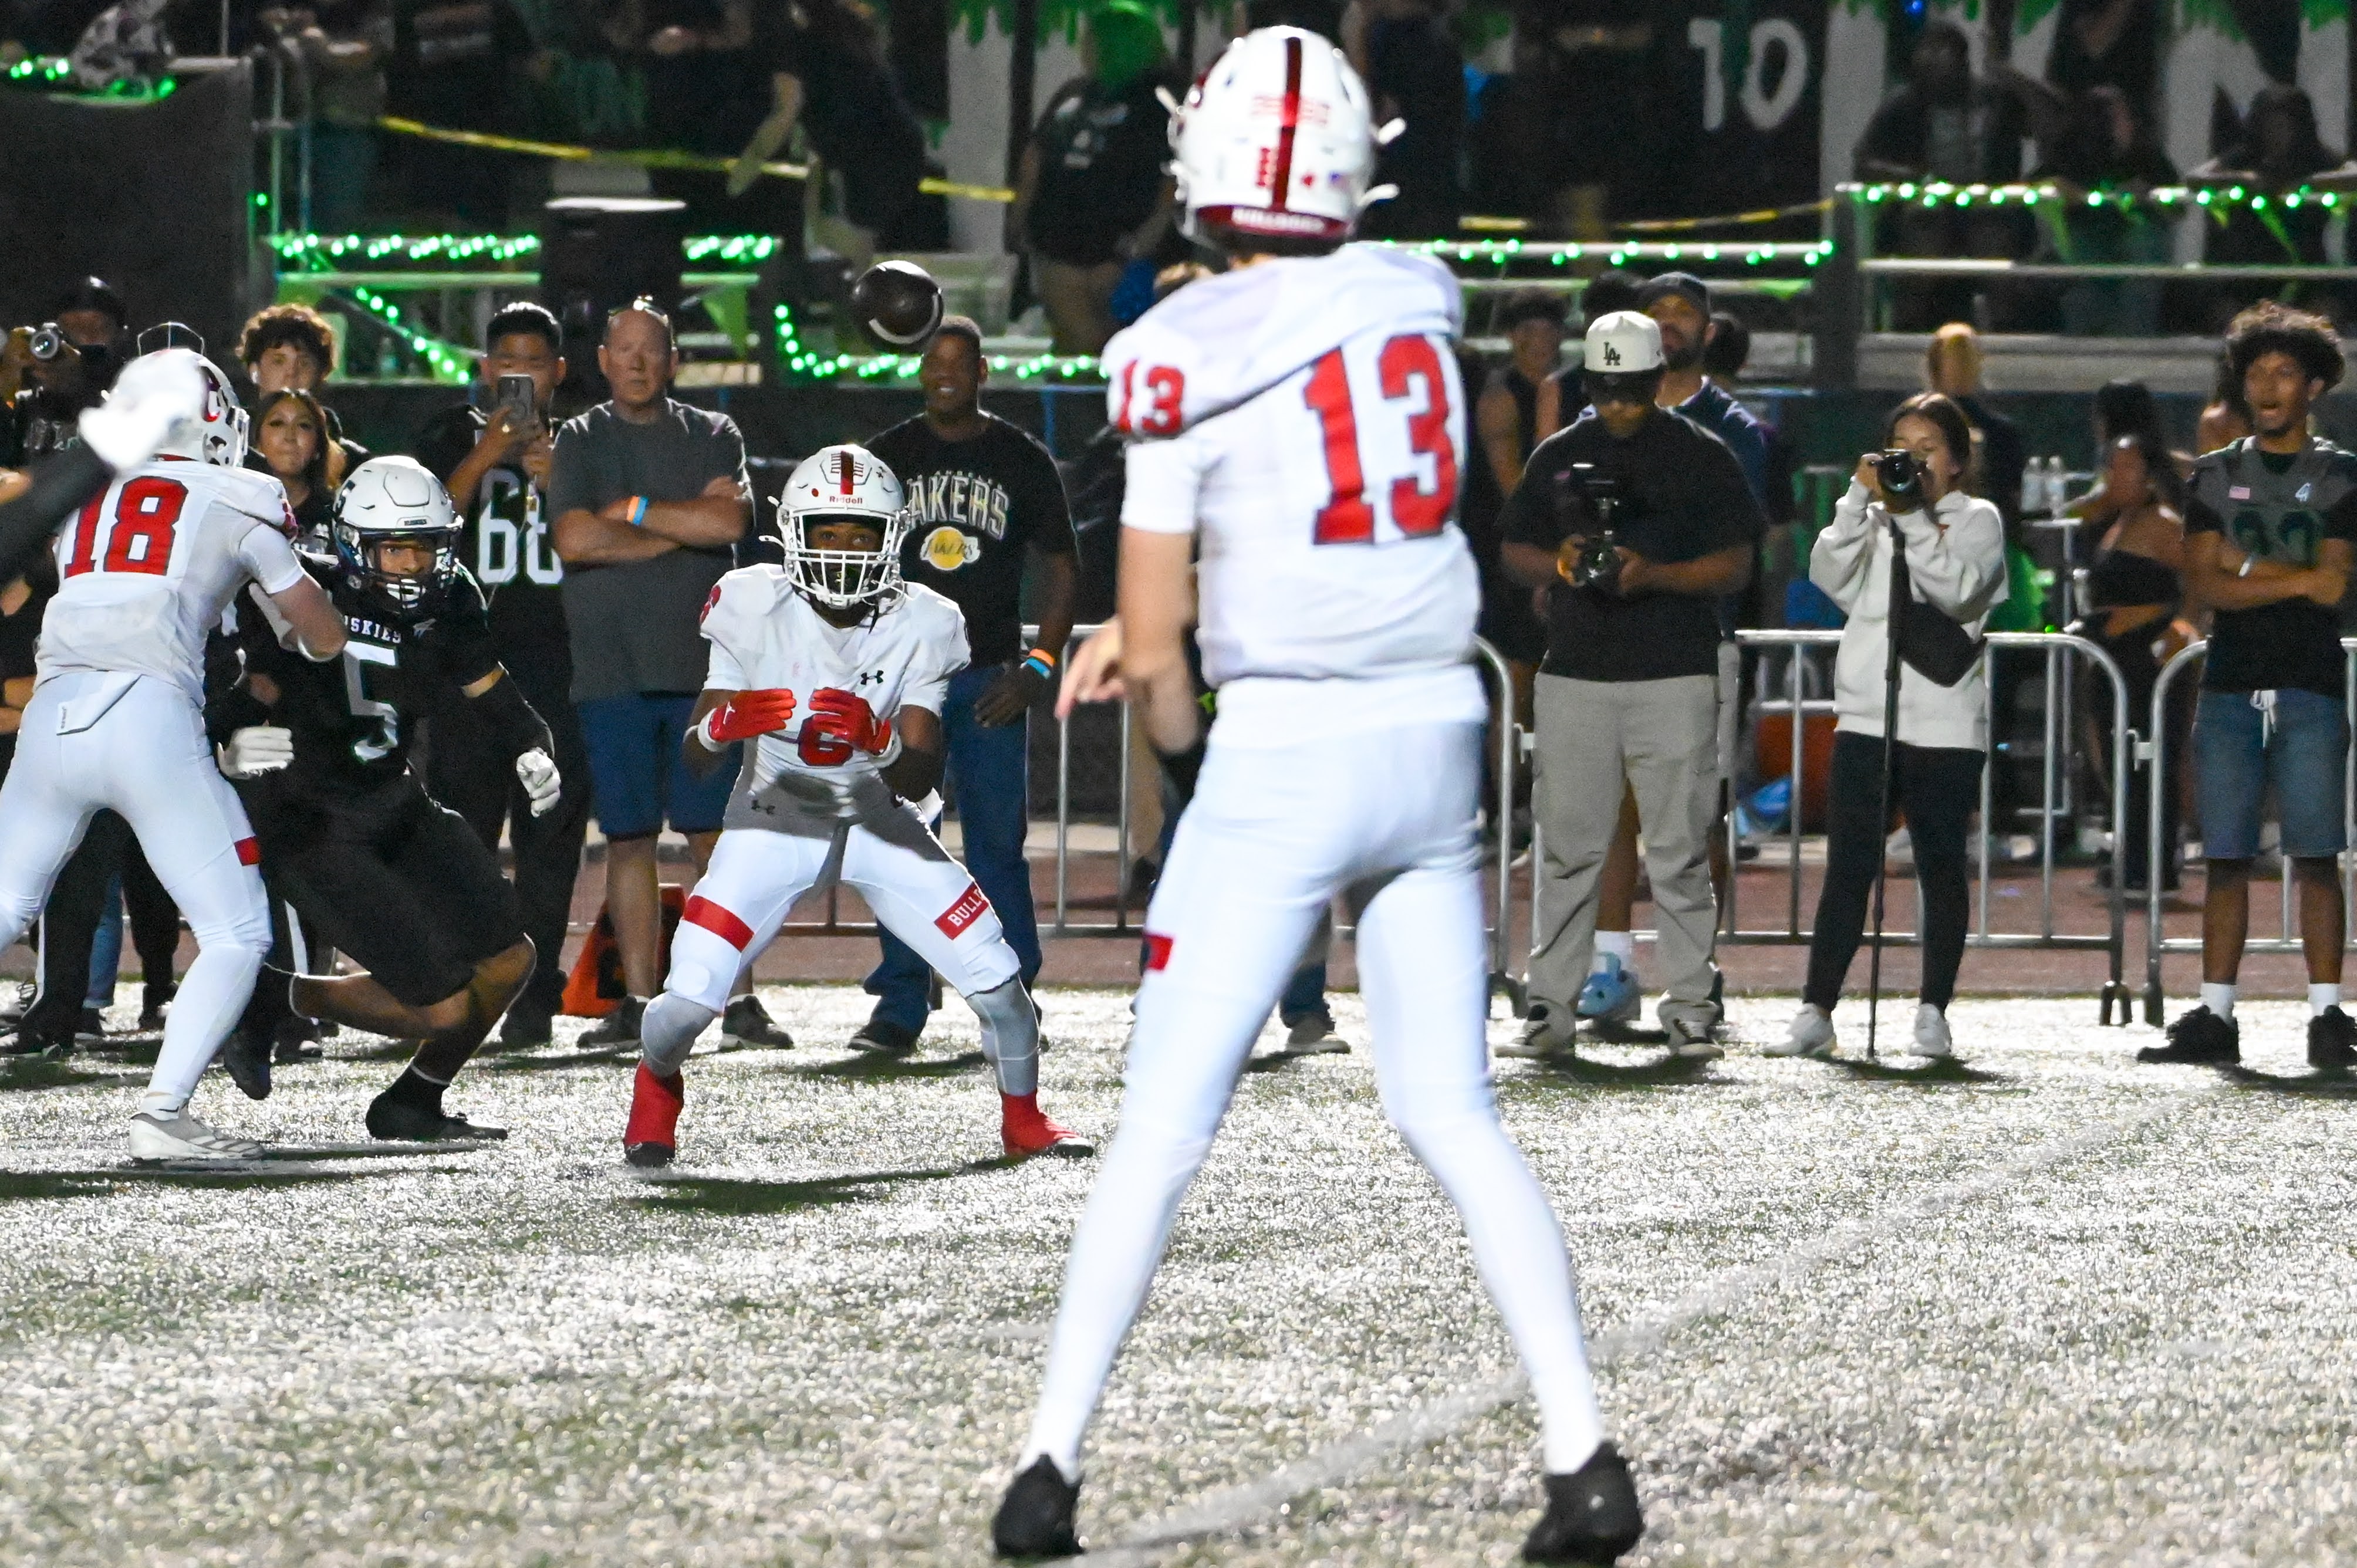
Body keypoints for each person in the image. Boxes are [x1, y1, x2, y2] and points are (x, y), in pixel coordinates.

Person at [993, 32, 1640, 1565]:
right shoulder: (1417, 292)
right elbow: (1308, 487)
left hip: (1286, 745)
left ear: (1199, 163)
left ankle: (1045, 1470)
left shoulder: (1173, 343)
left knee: (1160, 1127)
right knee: (1453, 1113)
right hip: (1430, 731)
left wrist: (1183, 746)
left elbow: (1162, 651)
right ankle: (1584, 1455)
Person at [620, 444, 1089, 1168]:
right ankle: (656, 1080)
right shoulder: (750, 601)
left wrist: (882, 741)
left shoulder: (925, 619)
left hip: (880, 820)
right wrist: (721, 725)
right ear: (793, 532)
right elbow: (695, 755)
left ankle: (1024, 1118)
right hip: (775, 817)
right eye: (828, 531)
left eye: (860, 533)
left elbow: (922, 765)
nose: (842, 550)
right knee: (685, 1002)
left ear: (891, 538)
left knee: (999, 986)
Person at [0, 349, 347, 1157]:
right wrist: (315, 601)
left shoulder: (87, 496)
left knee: (7, 906)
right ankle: (163, 1114)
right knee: (236, 930)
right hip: (149, 717)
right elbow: (321, 636)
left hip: (52, 714)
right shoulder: (240, 495)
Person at [210, 457, 561, 1133]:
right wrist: (226, 750)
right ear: (351, 545)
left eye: (424, 548)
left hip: (395, 800)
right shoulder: (303, 588)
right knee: (442, 1007)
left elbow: (496, 695)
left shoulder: (451, 598)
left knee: (510, 959)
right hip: (311, 821)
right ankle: (274, 996)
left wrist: (532, 746)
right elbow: (244, 694)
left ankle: (412, 1101)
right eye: (394, 549)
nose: (412, 566)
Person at [1498, 311, 1762, 1062]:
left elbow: (1736, 563)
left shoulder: (1699, 453)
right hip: (1577, 671)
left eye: (1630, 389)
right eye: (1604, 388)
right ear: (1588, 382)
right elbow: (1513, 547)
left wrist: (1655, 575)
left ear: (1654, 380)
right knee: (1565, 849)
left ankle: (1690, 1007)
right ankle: (1550, 1006)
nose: (1616, 404)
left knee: (1678, 850)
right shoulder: (1558, 453)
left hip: (1674, 672)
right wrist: (1559, 563)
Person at [2139, 304, 2357, 1070]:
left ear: (2314, 386)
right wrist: (2291, 577)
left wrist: (2242, 565)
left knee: (2316, 854)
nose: (2266, 387)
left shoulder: (2341, 473)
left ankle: (2328, 1014)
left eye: (2284, 372)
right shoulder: (2215, 471)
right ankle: (2216, 1012)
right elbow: (2207, 586)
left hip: (2309, 682)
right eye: (2256, 372)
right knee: (2225, 856)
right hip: (2230, 683)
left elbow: (2334, 587)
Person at [855, 318, 1076, 1057]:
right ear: (919, 370)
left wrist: (1038, 665)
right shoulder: (888, 457)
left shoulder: (1020, 457)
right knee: (896, 841)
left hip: (988, 680)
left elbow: (1063, 565)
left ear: (981, 371)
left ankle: (1010, 999)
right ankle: (900, 1002)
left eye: (958, 362)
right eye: (932, 362)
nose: (944, 373)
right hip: (902, 682)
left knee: (996, 847)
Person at [1562, 273, 1769, 1030]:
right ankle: (1609, 965)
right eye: (1659, 313)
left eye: (1685, 313)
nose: (1672, 323)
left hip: (1694, 639)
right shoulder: (1591, 422)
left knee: (1692, 816)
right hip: (1607, 634)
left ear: (1709, 331)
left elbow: (1736, 543)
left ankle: (1693, 970)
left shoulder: (1733, 429)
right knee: (1608, 805)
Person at [1774, 394, 2008, 1062]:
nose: (1914, 461)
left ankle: (1933, 1009)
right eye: (1901, 447)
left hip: (1944, 719)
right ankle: (1816, 1009)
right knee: (1848, 864)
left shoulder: (1978, 519)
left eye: (1929, 448)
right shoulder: (1874, 518)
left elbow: (1956, 591)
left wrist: (1911, 519)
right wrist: (1857, 498)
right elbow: (1828, 574)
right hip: (1865, 713)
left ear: (1957, 461)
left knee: (1939, 864)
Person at [549, 300, 756, 1048]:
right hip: (611, 671)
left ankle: (740, 1001)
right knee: (629, 838)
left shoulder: (713, 432)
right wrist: (678, 530)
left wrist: (634, 511)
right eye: (624, 349)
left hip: (705, 672)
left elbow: (727, 524)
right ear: (604, 360)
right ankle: (638, 1000)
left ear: (673, 360)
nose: (637, 361)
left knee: (715, 839)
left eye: (651, 349)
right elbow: (574, 538)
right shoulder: (579, 438)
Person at [413, 302, 611, 1049]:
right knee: (460, 837)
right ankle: (461, 985)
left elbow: (610, 536)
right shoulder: (448, 434)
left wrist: (561, 479)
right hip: (468, 670)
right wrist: (485, 454)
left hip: (561, 670)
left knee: (548, 844)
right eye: (507, 362)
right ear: (485, 369)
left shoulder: (590, 442)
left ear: (558, 372)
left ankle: (532, 998)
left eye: (534, 362)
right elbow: (418, 525)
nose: (519, 375)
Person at [1009, 2, 1176, 356]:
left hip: (1072, 251)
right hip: (1110, 251)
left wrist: (1020, 226)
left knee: (1082, 350)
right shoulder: (1162, 103)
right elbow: (1174, 180)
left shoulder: (1075, 100)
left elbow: (1032, 165)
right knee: (1107, 350)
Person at [2067, 430, 2188, 893]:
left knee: (2149, 759)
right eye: (2112, 467)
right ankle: (2129, 850)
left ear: (2150, 475)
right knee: (2117, 757)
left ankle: (2153, 859)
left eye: (2128, 468)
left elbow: (2197, 581)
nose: (2117, 477)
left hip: (2148, 658)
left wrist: (2169, 623)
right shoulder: (2115, 521)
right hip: (2113, 657)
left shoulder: (2164, 524)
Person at [1853, 21, 2032, 329]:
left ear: (1963, 61)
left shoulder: (1996, 100)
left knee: (1998, 250)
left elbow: (2044, 128)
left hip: (1988, 208)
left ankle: (2006, 337)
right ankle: (1907, 337)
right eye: (1926, 65)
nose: (1934, 72)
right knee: (1921, 242)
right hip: (1927, 207)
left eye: (1943, 61)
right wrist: (1915, 178)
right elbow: (1864, 162)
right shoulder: (1904, 105)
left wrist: (2010, 76)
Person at [1350, 0, 1464, 240]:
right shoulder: (1438, 40)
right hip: (1433, 187)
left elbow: (1378, 111)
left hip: (1399, 188)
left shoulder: (1398, 40)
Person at [235, 304, 367, 486]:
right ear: (255, 371)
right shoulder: (224, 452)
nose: (292, 373)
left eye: (304, 363)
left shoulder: (354, 467)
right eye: (278, 361)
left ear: (321, 374)